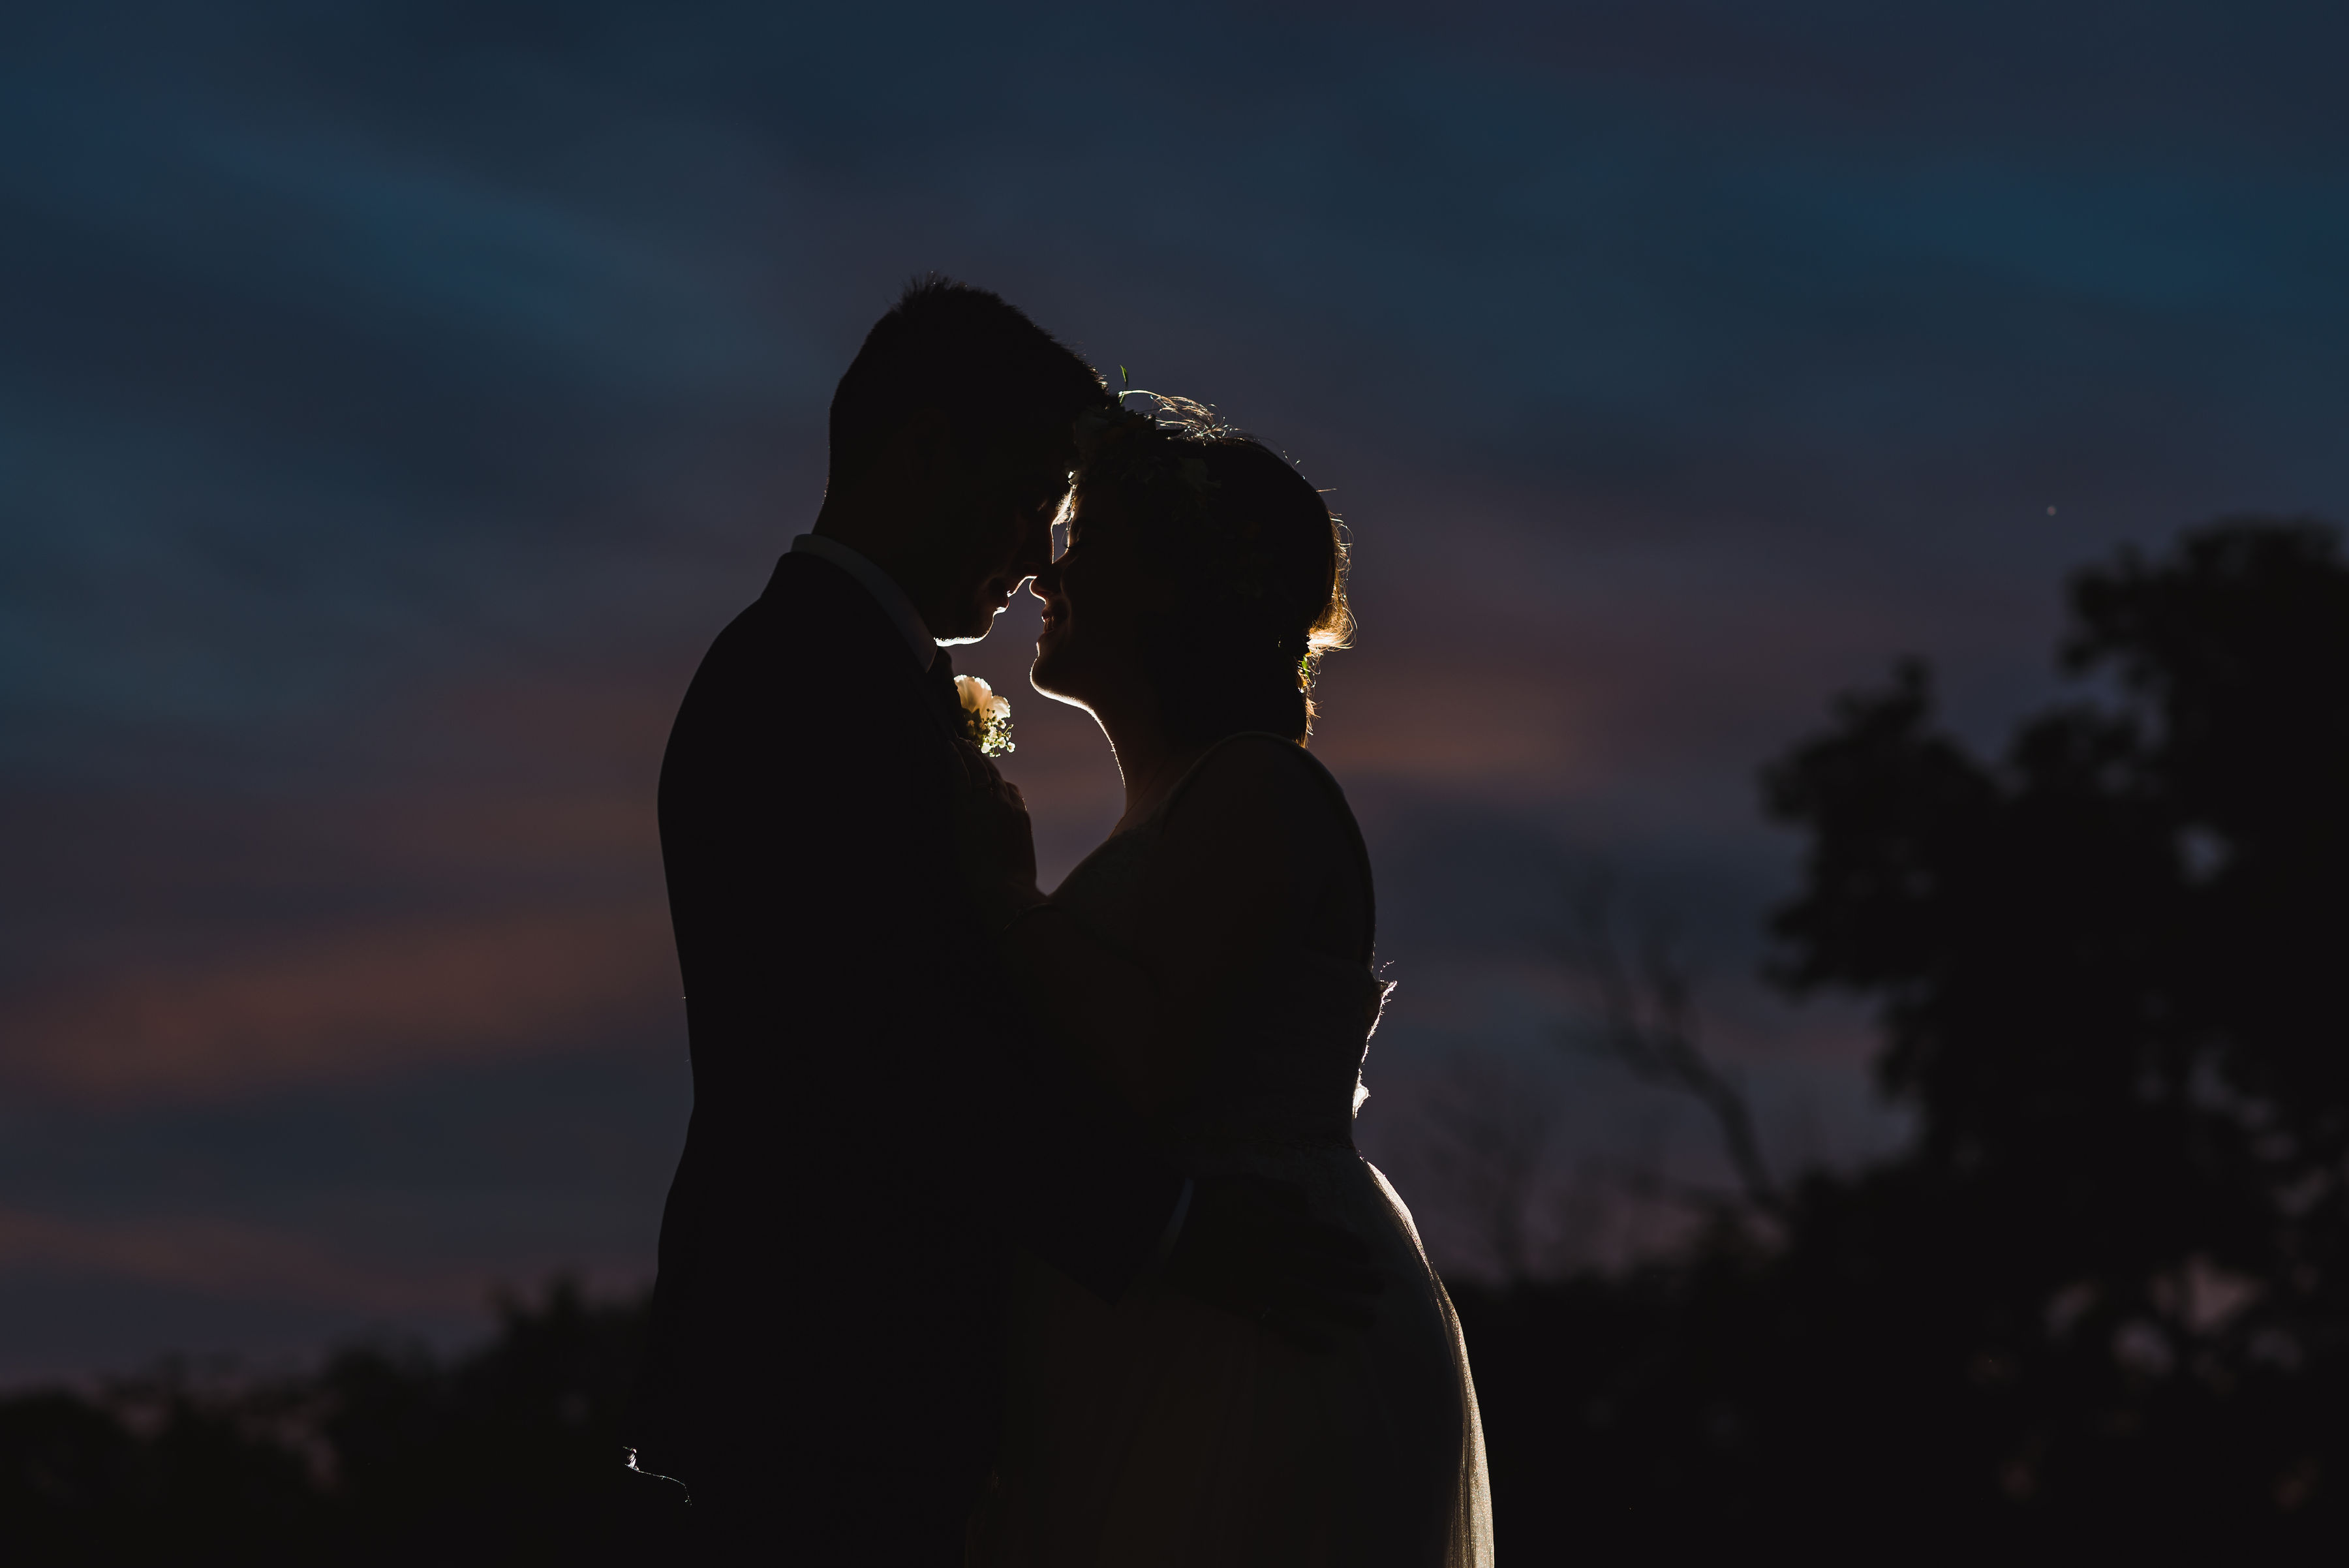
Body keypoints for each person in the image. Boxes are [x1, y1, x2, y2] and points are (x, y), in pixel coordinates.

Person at [619, 279, 1376, 1565]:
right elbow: (883, 1049)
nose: (1041, 555)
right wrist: (1172, 1230)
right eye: (1035, 496)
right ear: (925, 454)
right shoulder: (803, 684)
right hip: (827, 1366)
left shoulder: (860, 677)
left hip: (893, 1377)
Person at [953, 396, 1493, 1565]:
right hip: (1167, 1321)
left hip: (1253, 1338)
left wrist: (996, 895)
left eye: (1085, 545)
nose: (1047, 573)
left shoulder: (1259, 793)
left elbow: (1140, 1068)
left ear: (1175, 586)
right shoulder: (1181, 805)